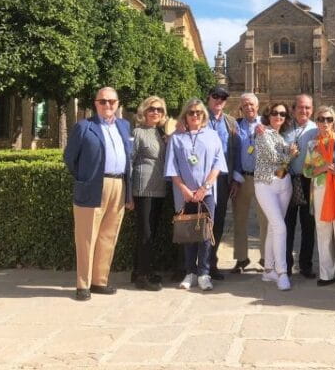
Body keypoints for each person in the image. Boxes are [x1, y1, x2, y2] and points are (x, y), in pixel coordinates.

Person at [64, 87, 133, 301]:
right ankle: (82, 285)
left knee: (108, 235)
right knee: (86, 237)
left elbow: (129, 159)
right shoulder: (84, 127)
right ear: (95, 104)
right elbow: (69, 158)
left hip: (118, 184)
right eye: (103, 101)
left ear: (118, 103)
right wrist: (85, 178)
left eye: (112, 101)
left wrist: (128, 193)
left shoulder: (124, 125)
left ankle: (99, 281)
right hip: (94, 185)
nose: (108, 105)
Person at [165, 98, 226, 292]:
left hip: (206, 193)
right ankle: (190, 272)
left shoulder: (212, 135)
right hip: (184, 194)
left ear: (204, 115)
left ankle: (204, 273)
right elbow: (172, 166)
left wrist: (204, 188)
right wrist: (184, 189)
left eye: (199, 112)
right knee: (188, 234)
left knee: (206, 234)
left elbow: (218, 164)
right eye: (191, 112)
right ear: (185, 115)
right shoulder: (177, 138)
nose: (195, 116)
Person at [304, 105, 335, 288]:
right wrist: (323, 168)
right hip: (319, 192)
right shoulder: (312, 144)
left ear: (334, 121)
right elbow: (307, 171)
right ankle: (326, 274)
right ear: (316, 122)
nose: (325, 123)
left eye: (328, 119)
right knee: (323, 234)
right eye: (321, 119)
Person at [254, 102, 298, 291]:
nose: (278, 117)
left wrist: (289, 153)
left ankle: (268, 270)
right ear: (268, 115)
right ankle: (282, 272)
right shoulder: (262, 132)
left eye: (282, 114)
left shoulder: (281, 137)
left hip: (284, 184)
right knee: (280, 226)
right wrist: (291, 155)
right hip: (265, 184)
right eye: (274, 113)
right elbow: (274, 158)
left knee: (274, 227)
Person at [130, 96, 168, 291]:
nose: (155, 112)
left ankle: (140, 270)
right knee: (145, 233)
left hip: (159, 189)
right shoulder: (138, 133)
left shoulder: (161, 133)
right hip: (143, 189)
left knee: (151, 232)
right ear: (144, 111)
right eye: (152, 109)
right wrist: (128, 194)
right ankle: (143, 277)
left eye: (159, 110)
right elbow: (130, 162)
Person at [205, 86, 241, 280]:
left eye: (223, 97)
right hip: (201, 180)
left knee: (217, 222)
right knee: (200, 221)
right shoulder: (198, 117)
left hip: (222, 180)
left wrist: (235, 178)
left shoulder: (230, 122)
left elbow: (235, 152)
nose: (219, 100)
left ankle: (211, 263)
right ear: (208, 98)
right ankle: (191, 266)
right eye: (216, 96)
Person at [231, 92, 268, 273]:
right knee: (239, 219)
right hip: (242, 178)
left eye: (251, 104)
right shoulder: (235, 126)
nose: (248, 108)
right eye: (245, 105)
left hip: (262, 179)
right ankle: (241, 259)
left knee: (265, 220)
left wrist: (266, 135)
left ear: (257, 106)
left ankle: (265, 258)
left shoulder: (267, 124)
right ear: (241, 107)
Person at [283, 94, 318, 278]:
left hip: (309, 181)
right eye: (300, 107)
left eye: (307, 108)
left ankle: (305, 265)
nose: (304, 111)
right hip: (288, 180)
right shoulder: (285, 128)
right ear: (293, 109)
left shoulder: (316, 129)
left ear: (311, 109)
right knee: (287, 225)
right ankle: (286, 265)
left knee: (308, 225)